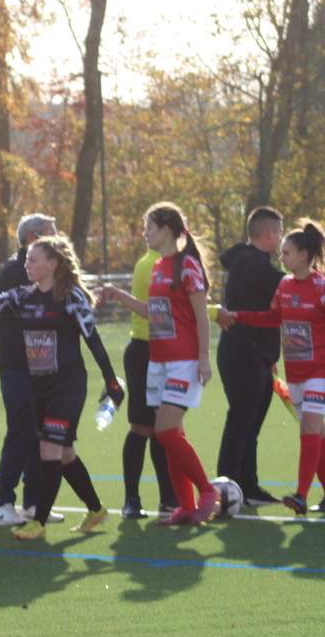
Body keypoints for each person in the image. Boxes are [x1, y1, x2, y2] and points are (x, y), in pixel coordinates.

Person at [0, 235, 124, 540]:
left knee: (49, 448)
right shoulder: (23, 295)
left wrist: (112, 382)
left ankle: (38, 520)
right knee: (64, 453)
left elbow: (93, 340)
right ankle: (96, 509)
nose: (26, 263)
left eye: (33, 259)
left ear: (53, 264)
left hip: (68, 384)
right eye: (26, 259)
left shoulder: (72, 297)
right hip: (38, 386)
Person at [100, 202, 220, 526]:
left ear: (166, 229)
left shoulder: (188, 266)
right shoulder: (157, 267)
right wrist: (117, 295)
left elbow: (200, 316)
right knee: (169, 436)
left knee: (166, 430)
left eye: (148, 227)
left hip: (183, 361)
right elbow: (153, 313)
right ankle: (185, 507)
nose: (144, 233)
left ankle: (207, 491)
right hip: (158, 362)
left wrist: (204, 359)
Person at [219, 219, 325, 515]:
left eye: (287, 253)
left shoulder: (320, 287)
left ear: (304, 255)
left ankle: (301, 496)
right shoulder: (284, 285)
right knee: (317, 435)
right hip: (296, 375)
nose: (281, 258)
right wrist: (236, 316)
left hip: (319, 372)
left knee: (309, 431)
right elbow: (271, 318)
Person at [0, 214, 62, 527]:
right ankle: (4, 503)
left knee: (38, 433)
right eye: (51, 233)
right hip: (18, 365)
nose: (58, 238)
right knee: (20, 431)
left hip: (41, 367)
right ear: (33, 238)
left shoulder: (48, 272)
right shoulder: (15, 272)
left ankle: (33, 503)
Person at [216, 207, 285, 507]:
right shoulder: (251, 264)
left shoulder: (251, 262)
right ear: (268, 234)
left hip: (254, 354)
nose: (282, 240)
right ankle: (225, 485)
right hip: (243, 354)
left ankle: (248, 486)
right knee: (241, 419)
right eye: (280, 233)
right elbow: (290, 286)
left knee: (250, 423)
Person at [119, 247, 179, 518]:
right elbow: (161, 311)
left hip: (168, 352)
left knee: (163, 427)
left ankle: (168, 498)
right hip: (146, 351)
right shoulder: (151, 265)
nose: (145, 233)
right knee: (143, 426)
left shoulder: (175, 262)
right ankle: (131, 500)